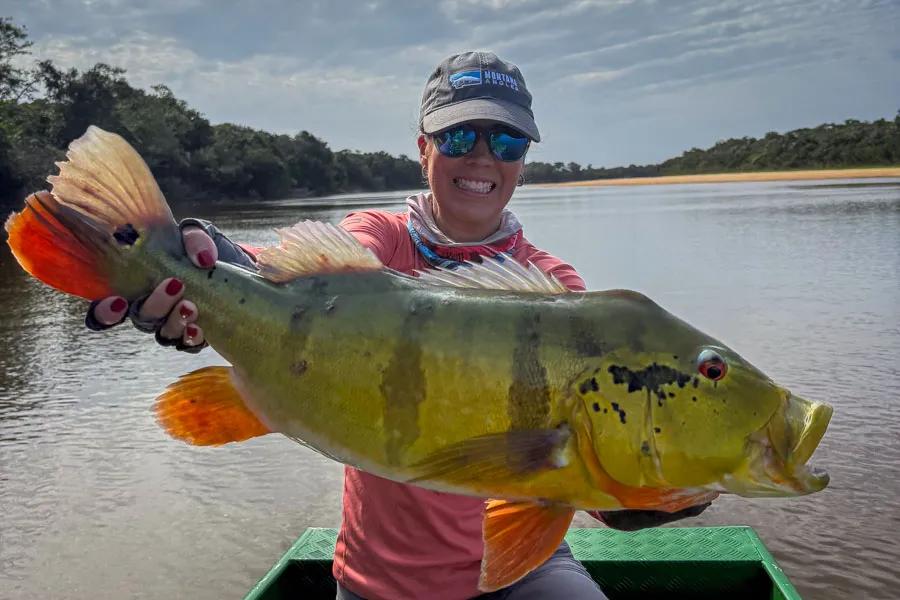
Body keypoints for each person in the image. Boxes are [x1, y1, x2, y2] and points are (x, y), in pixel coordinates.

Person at [86, 51, 711, 600]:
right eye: (459, 136)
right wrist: (199, 258)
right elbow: (293, 284)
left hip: (523, 570)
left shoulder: (557, 291)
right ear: (423, 148)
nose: (483, 157)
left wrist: (667, 489)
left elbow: (582, 472)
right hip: (381, 583)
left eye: (508, 142)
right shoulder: (379, 241)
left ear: (524, 161)